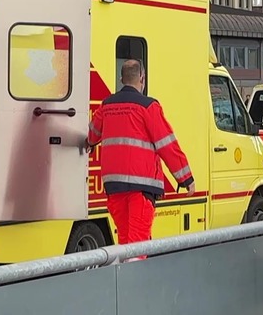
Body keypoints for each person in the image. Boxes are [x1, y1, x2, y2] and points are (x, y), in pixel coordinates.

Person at [84, 59, 195, 260]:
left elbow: (92, 134)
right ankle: (134, 287)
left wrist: (90, 144)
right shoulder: (148, 106)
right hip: (141, 187)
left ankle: (125, 285)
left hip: (114, 186)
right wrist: (185, 178)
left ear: (121, 79)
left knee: (125, 243)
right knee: (137, 246)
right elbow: (167, 145)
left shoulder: (107, 105)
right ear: (142, 79)